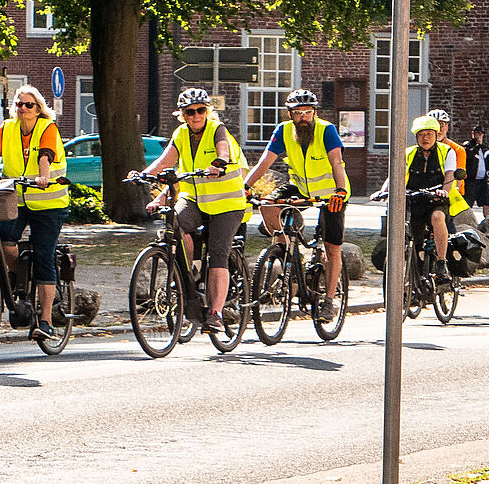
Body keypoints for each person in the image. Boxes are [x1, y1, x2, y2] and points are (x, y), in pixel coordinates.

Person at [130, 88, 247, 334]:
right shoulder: (181, 133)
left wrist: (219, 163)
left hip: (227, 204)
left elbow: (223, 150)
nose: (196, 116)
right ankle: (189, 272)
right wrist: (142, 174)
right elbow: (164, 162)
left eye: (201, 110)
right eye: (190, 112)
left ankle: (215, 313)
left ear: (207, 111)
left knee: (217, 254)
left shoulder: (218, 130)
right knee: (176, 224)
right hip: (195, 199)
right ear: (182, 115)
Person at [0, 84, 69, 339]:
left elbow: (46, 156)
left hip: (49, 202)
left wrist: (43, 178)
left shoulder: (47, 128)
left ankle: (45, 322)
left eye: (28, 105)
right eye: (19, 104)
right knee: (5, 240)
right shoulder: (8, 128)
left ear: (38, 109)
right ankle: (17, 275)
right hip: (17, 200)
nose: (23, 108)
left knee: (44, 255)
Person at [243, 88, 348, 322]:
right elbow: (264, 162)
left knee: (332, 248)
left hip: (331, 194)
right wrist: (245, 186)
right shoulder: (283, 131)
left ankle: (328, 301)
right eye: (298, 112)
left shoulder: (326, 130)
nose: (303, 117)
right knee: (268, 205)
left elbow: (336, 162)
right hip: (300, 187)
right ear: (289, 114)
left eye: (308, 112)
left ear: (315, 113)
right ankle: (289, 252)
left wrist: (340, 190)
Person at [395, 114, 470, 291]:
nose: (425, 138)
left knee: (437, 217)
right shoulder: (408, 153)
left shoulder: (447, 151)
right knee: (412, 236)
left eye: (429, 134)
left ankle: (442, 263)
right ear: (416, 136)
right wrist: (384, 191)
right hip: (414, 200)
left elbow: (450, 173)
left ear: (436, 135)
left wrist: (445, 189)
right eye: (421, 134)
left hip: (437, 199)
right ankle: (413, 274)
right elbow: (395, 175)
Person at [428, 109, 467, 197]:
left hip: (453, 193)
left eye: (441, 125)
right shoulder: (423, 148)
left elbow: (458, 177)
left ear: (447, 127)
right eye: (434, 125)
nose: (438, 129)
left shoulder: (458, 150)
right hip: (429, 191)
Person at [463, 125, 489, 221]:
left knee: (486, 202)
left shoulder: (484, 148)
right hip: (471, 180)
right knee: (468, 203)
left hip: (482, 180)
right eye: (477, 134)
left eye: (481, 134)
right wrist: (475, 144)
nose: (479, 136)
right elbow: (468, 157)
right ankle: (467, 221)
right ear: (473, 134)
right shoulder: (468, 146)